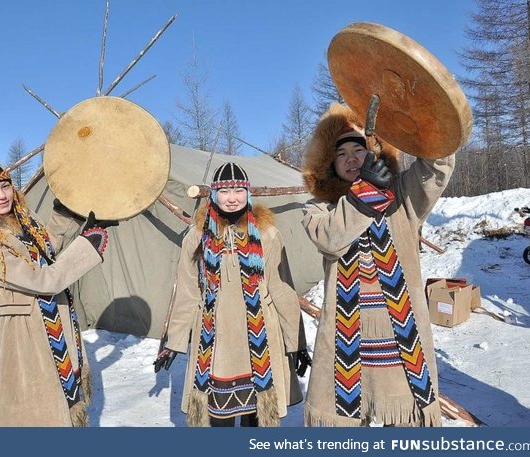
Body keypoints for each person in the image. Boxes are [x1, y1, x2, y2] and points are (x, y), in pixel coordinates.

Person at [300, 103, 455, 427]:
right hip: (347, 343)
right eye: (342, 154)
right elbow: (330, 239)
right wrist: (365, 191)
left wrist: (421, 117)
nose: (352, 158)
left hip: (402, 344)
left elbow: (435, 170)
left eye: (359, 149)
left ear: (373, 153)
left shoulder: (401, 196)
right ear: (329, 164)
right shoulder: (317, 210)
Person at [0, 158, 116, 426]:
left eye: (5, 186)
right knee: (37, 408)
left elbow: (48, 248)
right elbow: (44, 280)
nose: (1, 196)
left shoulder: (23, 222)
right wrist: (89, 244)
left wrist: (67, 213)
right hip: (26, 337)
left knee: (63, 403)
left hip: (55, 327)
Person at [153, 162, 311, 427]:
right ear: (214, 194)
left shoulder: (267, 234)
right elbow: (188, 291)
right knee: (217, 422)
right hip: (214, 342)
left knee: (257, 420)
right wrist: (174, 341)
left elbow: (282, 288)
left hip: (260, 341)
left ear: (247, 193)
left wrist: (297, 342)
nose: (232, 198)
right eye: (225, 191)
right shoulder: (197, 236)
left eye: (238, 190)